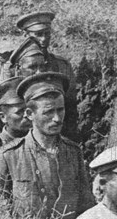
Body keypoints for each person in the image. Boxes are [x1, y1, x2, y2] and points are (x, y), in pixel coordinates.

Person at [0, 72, 93, 219]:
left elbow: (86, 206)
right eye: (48, 112)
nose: (57, 118)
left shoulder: (73, 153)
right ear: (30, 114)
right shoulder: (9, 156)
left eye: (60, 110)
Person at [15, 11, 79, 141]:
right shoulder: (13, 68)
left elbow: (71, 108)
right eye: (38, 34)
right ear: (25, 35)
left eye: (47, 33)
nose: (44, 39)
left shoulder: (62, 66)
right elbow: (8, 111)